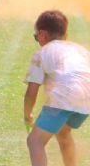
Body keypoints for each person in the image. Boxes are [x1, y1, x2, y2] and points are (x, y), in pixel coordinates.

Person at [24, 10, 90, 166]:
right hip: (87, 97)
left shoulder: (42, 53)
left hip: (64, 96)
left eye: (36, 37)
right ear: (65, 35)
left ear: (42, 34)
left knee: (35, 141)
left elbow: (31, 92)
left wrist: (27, 115)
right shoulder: (80, 49)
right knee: (63, 131)